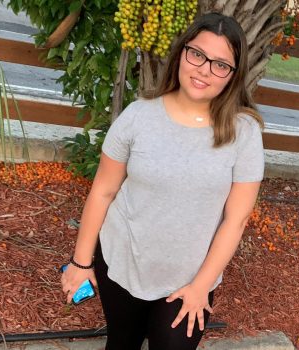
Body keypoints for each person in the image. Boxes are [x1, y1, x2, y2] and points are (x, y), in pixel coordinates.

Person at [61, 12, 265, 350]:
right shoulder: (138, 116)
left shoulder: (243, 133)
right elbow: (104, 190)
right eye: (198, 54)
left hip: (189, 277)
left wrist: (201, 286)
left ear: (233, 75)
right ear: (182, 53)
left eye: (220, 64)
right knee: (121, 344)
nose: (204, 69)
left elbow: (236, 219)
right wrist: (81, 262)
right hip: (124, 259)